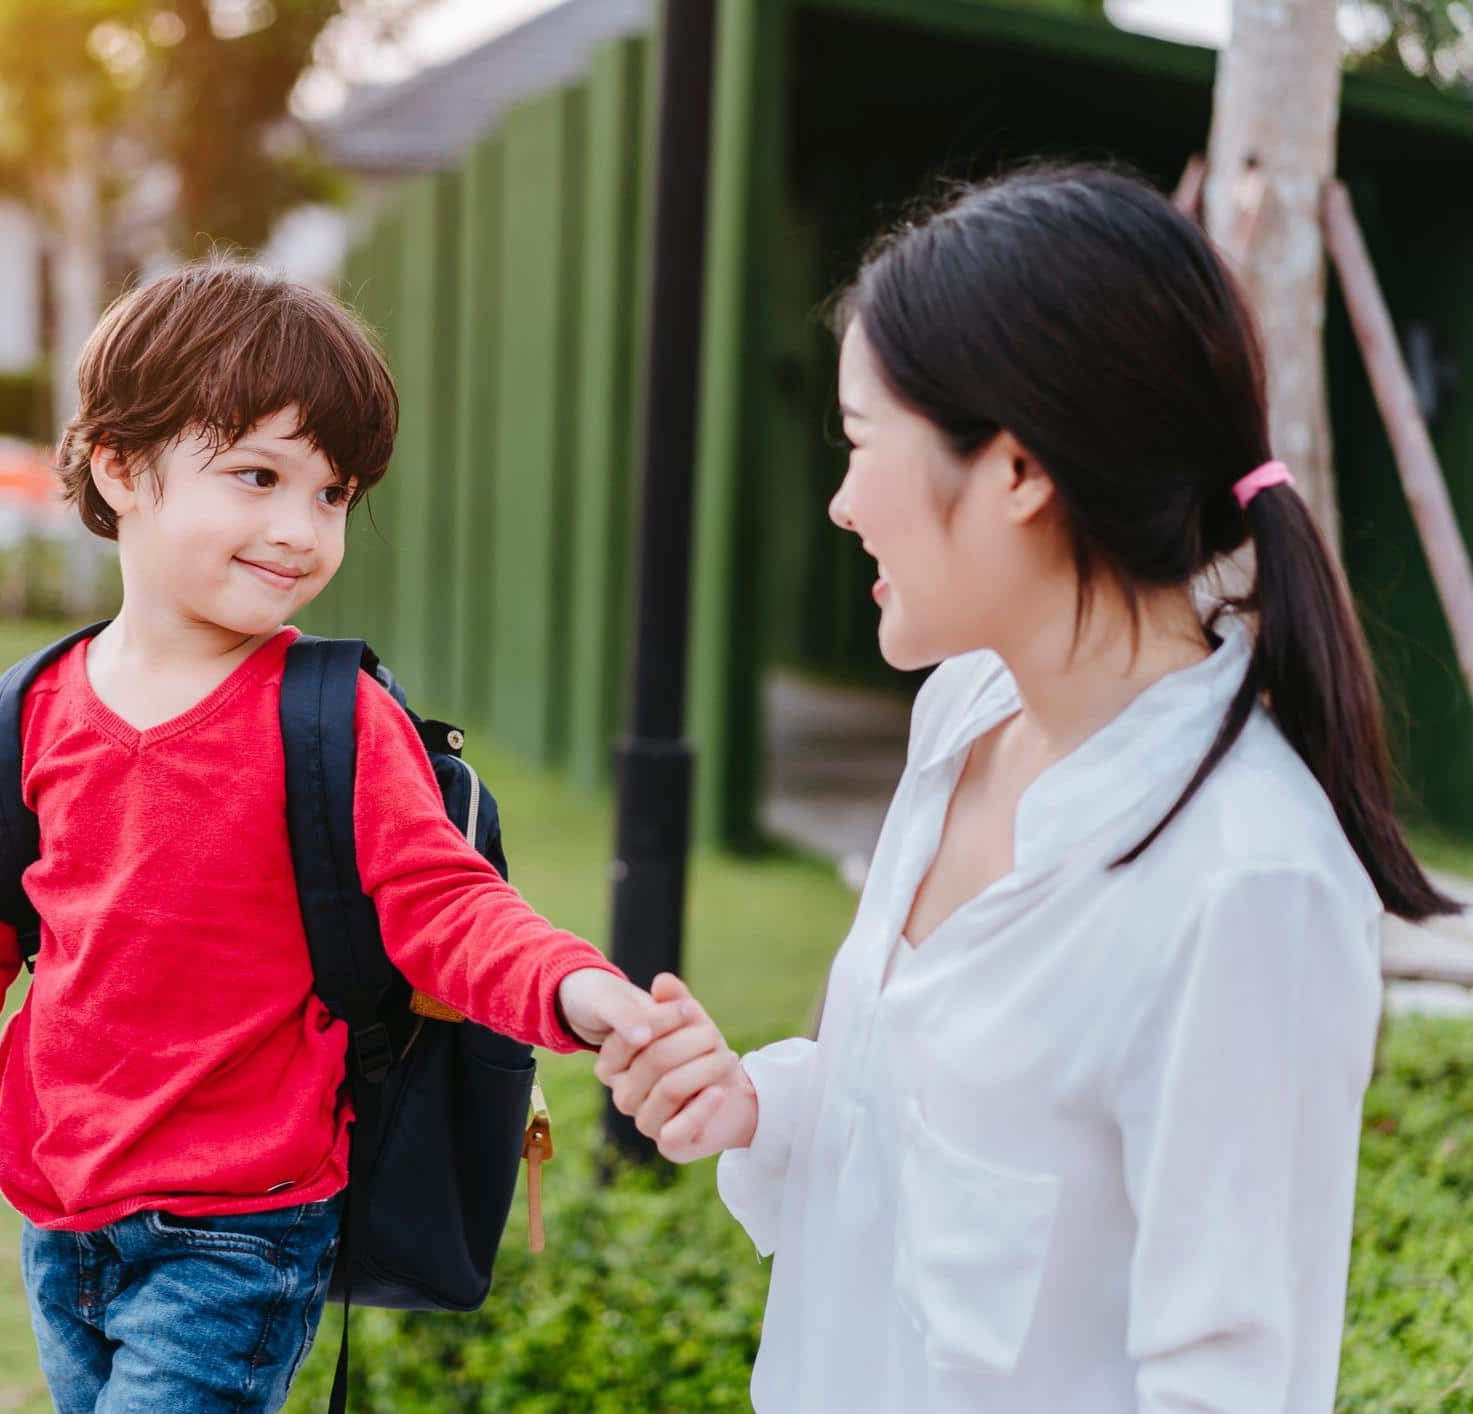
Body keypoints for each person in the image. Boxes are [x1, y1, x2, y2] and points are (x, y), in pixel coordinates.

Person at [598, 164, 1461, 1412]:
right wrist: (758, 1101)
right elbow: (934, 1124)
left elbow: (1230, 1381)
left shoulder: (1246, 884)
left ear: (1014, 472)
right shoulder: (964, 714)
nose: (841, 504)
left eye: (858, 444)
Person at [0, 260, 656, 1412]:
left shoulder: (333, 716)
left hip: (244, 1234)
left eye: (332, 493)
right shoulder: (28, 716)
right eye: (258, 475)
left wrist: (573, 984)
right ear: (120, 468)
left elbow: (445, 905)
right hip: (61, 1228)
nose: (300, 529)